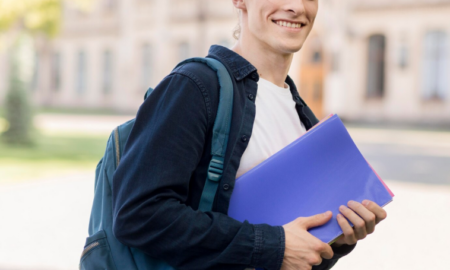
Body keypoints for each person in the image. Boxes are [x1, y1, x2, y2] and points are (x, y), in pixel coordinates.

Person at [112, 0, 387, 269]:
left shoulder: (303, 116)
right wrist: (273, 246)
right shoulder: (195, 86)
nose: (297, 7)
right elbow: (138, 215)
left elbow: (292, 253)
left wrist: (335, 240)